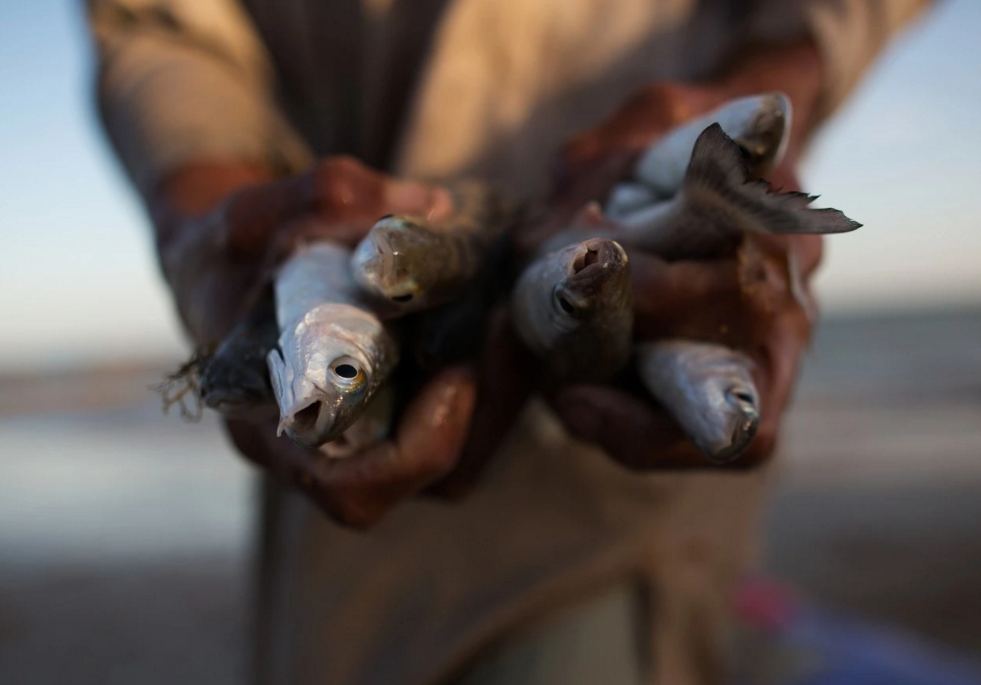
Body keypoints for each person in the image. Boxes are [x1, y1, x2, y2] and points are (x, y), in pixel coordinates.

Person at [84, 1, 931, 684]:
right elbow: (160, 26)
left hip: (617, 494)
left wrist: (768, 85)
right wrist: (208, 212)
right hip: (348, 542)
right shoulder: (313, 358)